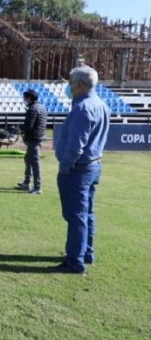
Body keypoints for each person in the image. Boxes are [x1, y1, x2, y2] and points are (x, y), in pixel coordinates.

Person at [53, 66, 109, 275]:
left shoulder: (82, 108)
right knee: (87, 213)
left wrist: (65, 166)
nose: (68, 86)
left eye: (69, 82)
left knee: (76, 216)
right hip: (93, 166)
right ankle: (86, 252)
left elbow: (76, 146)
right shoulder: (100, 104)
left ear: (77, 85)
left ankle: (75, 262)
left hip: (78, 169)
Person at [17, 89, 48, 195]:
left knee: (35, 162)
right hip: (38, 137)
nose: (24, 100)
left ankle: (37, 187)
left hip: (34, 139)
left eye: (25, 98)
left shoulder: (33, 109)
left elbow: (29, 126)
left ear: (29, 98)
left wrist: (20, 128)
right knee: (28, 159)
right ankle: (26, 182)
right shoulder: (41, 107)